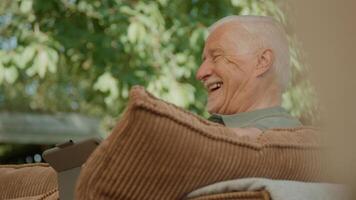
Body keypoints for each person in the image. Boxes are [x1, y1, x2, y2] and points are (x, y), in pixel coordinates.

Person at [195, 15, 302, 136]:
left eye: (217, 57)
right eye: (204, 60)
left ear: (262, 61)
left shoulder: (283, 134)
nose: (200, 73)